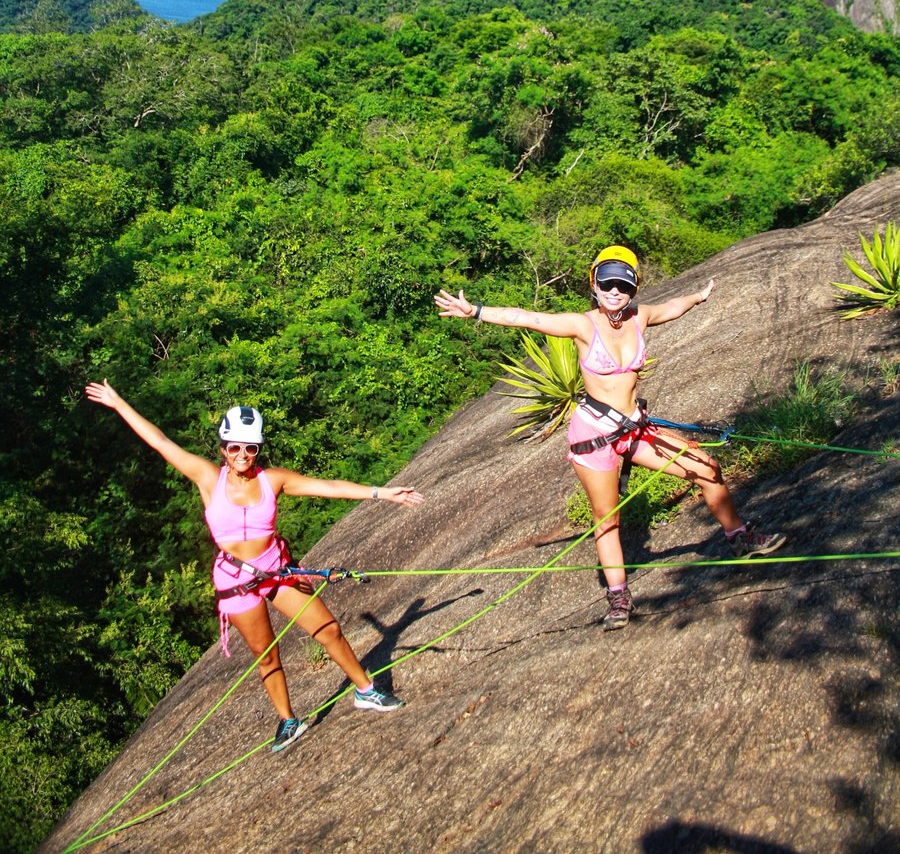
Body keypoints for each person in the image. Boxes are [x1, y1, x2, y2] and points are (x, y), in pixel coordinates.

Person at [434, 246, 786, 632]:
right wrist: (477, 312)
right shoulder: (583, 325)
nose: (615, 291)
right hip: (595, 435)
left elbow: (673, 306)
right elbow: (529, 318)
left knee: (706, 467)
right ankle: (618, 597)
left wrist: (700, 296)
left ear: (634, 288)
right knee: (607, 519)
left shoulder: (641, 316)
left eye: (623, 284)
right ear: (594, 284)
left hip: (635, 428)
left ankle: (739, 537)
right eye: (607, 283)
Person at [85, 380, 423, 752]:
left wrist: (382, 493)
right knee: (267, 656)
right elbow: (161, 442)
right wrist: (118, 403)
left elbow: (327, 486)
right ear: (223, 449)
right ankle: (288, 720)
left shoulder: (273, 480)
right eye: (235, 447)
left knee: (328, 629)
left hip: (277, 571)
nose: (242, 454)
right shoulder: (208, 478)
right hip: (236, 582)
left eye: (250, 447)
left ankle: (366, 691)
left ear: (258, 448)